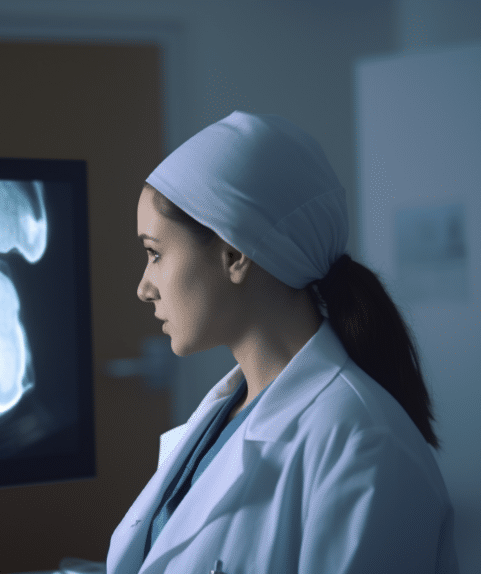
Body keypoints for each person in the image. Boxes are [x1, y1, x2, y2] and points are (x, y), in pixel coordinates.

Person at [106, 111, 459, 574]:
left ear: (234, 255)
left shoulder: (366, 444)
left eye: (155, 254)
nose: (143, 287)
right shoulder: (222, 415)